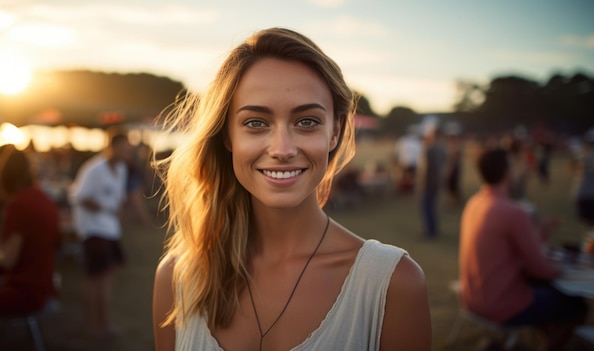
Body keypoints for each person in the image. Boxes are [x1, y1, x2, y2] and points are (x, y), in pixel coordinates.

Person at [152, 27, 431, 351]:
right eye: (256, 123)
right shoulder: (177, 278)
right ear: (228, 136)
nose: (282, 149)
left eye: (307, 122)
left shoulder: (393, 285)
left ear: (335, 132)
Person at [459, 148, 587, 351]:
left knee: (548, 299)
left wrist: (541, 235)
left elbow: (510, 254)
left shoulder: (474, 203)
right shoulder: (513, 211)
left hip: (472, 298)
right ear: (508, 172)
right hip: (501, 304)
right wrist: (567, 271)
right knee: (576, 306)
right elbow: (539, 267)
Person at [0, 148, 59, 347]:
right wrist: (2, 250)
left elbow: (9, 260)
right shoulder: (44, 199)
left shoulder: (18, 204)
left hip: (26, 291)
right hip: (45, 285)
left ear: (4, 177)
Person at [68, 132, 132, 337]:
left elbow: (119, 199)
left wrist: (120, 213)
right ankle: (93, 326)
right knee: (94, 278)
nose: (126, 152)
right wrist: (104, 207)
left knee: (106, 278)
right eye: (122, 147)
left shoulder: (121, 169)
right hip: (93, 229)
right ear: (111, 147)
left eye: (127, 148)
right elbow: (79, 196)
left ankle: (104, 325)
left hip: (111, 229)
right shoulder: (94, 168)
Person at [419, 126, 446, 238]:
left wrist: (422, 182)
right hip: (437, 181)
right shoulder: (442, 149)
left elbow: (426, 169)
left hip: (429, 183)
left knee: (427, 207)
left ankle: (430, 231)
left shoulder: (430, 149)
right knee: (432, 207)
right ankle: (433, 230)